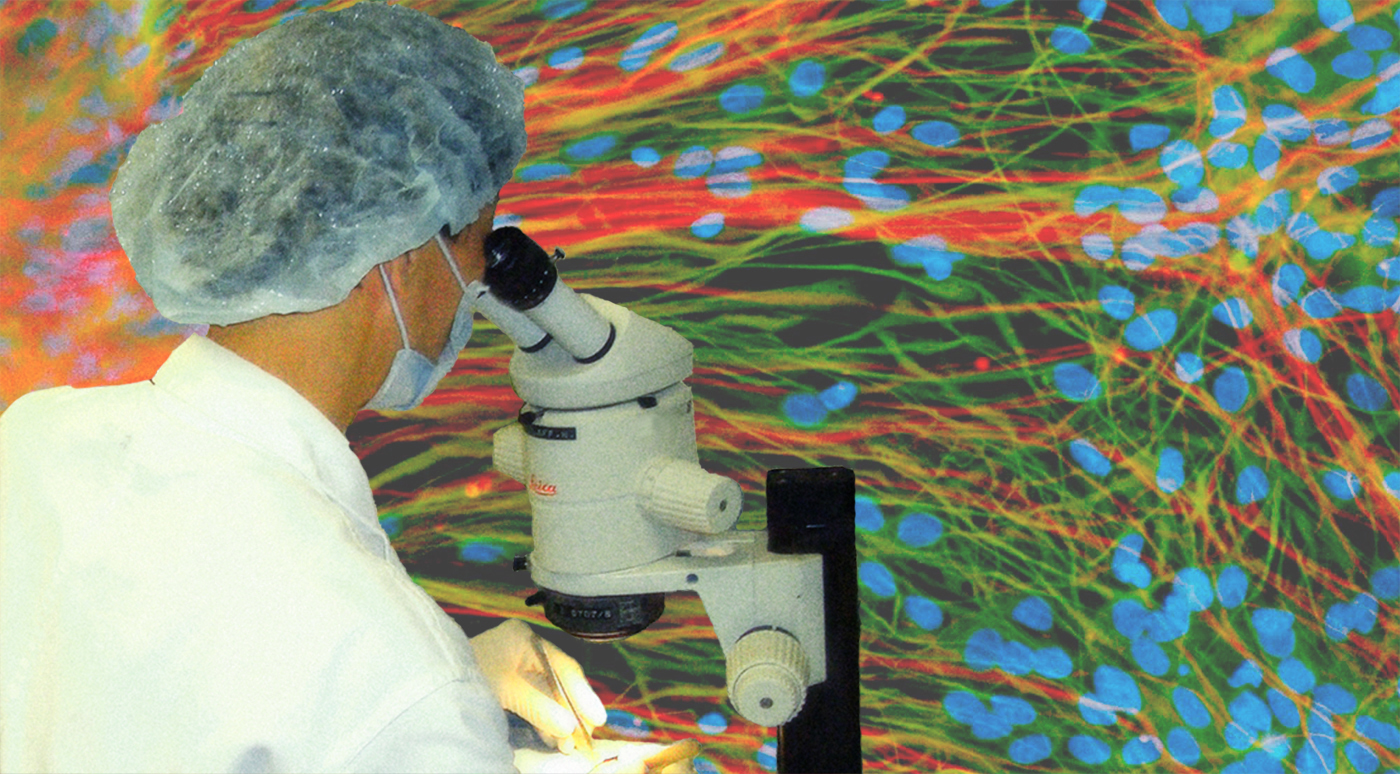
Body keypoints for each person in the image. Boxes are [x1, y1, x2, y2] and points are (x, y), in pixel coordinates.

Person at [0, 4, 646, 772]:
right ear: (403, 255)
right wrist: (432, 713)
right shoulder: (396, 680)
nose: (478, 282)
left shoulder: (33, 441)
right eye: (478, 242)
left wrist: (444, 690)